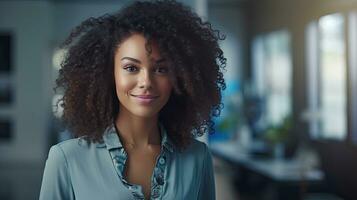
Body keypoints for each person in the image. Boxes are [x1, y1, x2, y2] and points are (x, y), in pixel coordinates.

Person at [39, 0, 226, 199]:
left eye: (161, 69)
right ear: (109, 74)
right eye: (131, 68)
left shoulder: (198, 157)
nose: (146, 81)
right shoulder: (67, 159)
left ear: (179, 77)